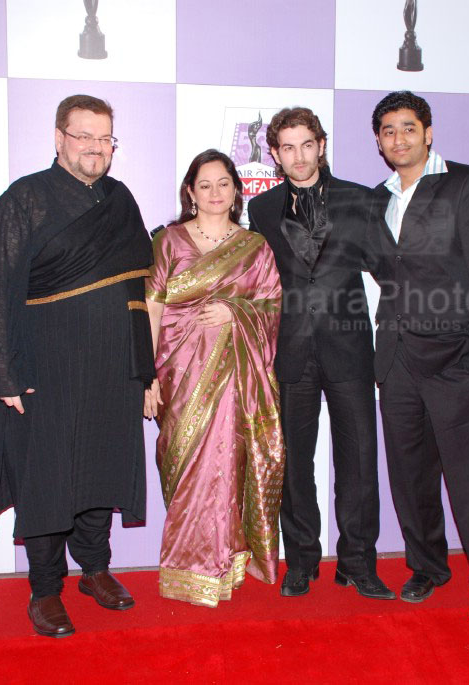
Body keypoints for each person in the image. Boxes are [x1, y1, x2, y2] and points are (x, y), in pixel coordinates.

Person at [0, 94, 154, 638]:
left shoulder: (121, 200)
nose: (96, 148)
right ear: (59, 138)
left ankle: (95, 570)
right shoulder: (24, 199)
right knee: (48, 476)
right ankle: (45, 589)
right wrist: (3, 374)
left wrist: (143, 370)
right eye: (84, 136)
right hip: (44, 364)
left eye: (105, 138)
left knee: (100, 465)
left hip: (110, 361)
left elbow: (138, 291)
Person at [366, 91, 469, 624]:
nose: (399, 138)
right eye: (388, 131)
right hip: (396, 358)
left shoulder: (466, 184)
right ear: (380, 142)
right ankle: (427, 567)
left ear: (428, 132)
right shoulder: (377, 199)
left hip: (456, 355)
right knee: (409, 476)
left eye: (408, 127)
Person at [248, 108, 393, 600]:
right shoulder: (262, 209)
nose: (298, 156)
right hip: (291, 351)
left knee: (358, 461)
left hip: (349, 347)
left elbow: (391, 272)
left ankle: (357, 562)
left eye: (306, 144)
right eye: (287, 147)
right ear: (273, 154)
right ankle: (302, 561)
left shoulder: (359, 198)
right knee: (293, 464)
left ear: (322, 144)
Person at [144, 149, 284, 607]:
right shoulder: (168, 241)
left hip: (233, 381)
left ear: (237, 190)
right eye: (205, 185)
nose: (215, 192)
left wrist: (235, 312)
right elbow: (154, 307)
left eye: (223, 183)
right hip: (179, 373)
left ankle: (221, 565)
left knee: (225, 468)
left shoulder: (254, 247)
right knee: (185, 468)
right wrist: (147, 375)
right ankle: (191, 565)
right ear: (190, 192)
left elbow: (272, 307)